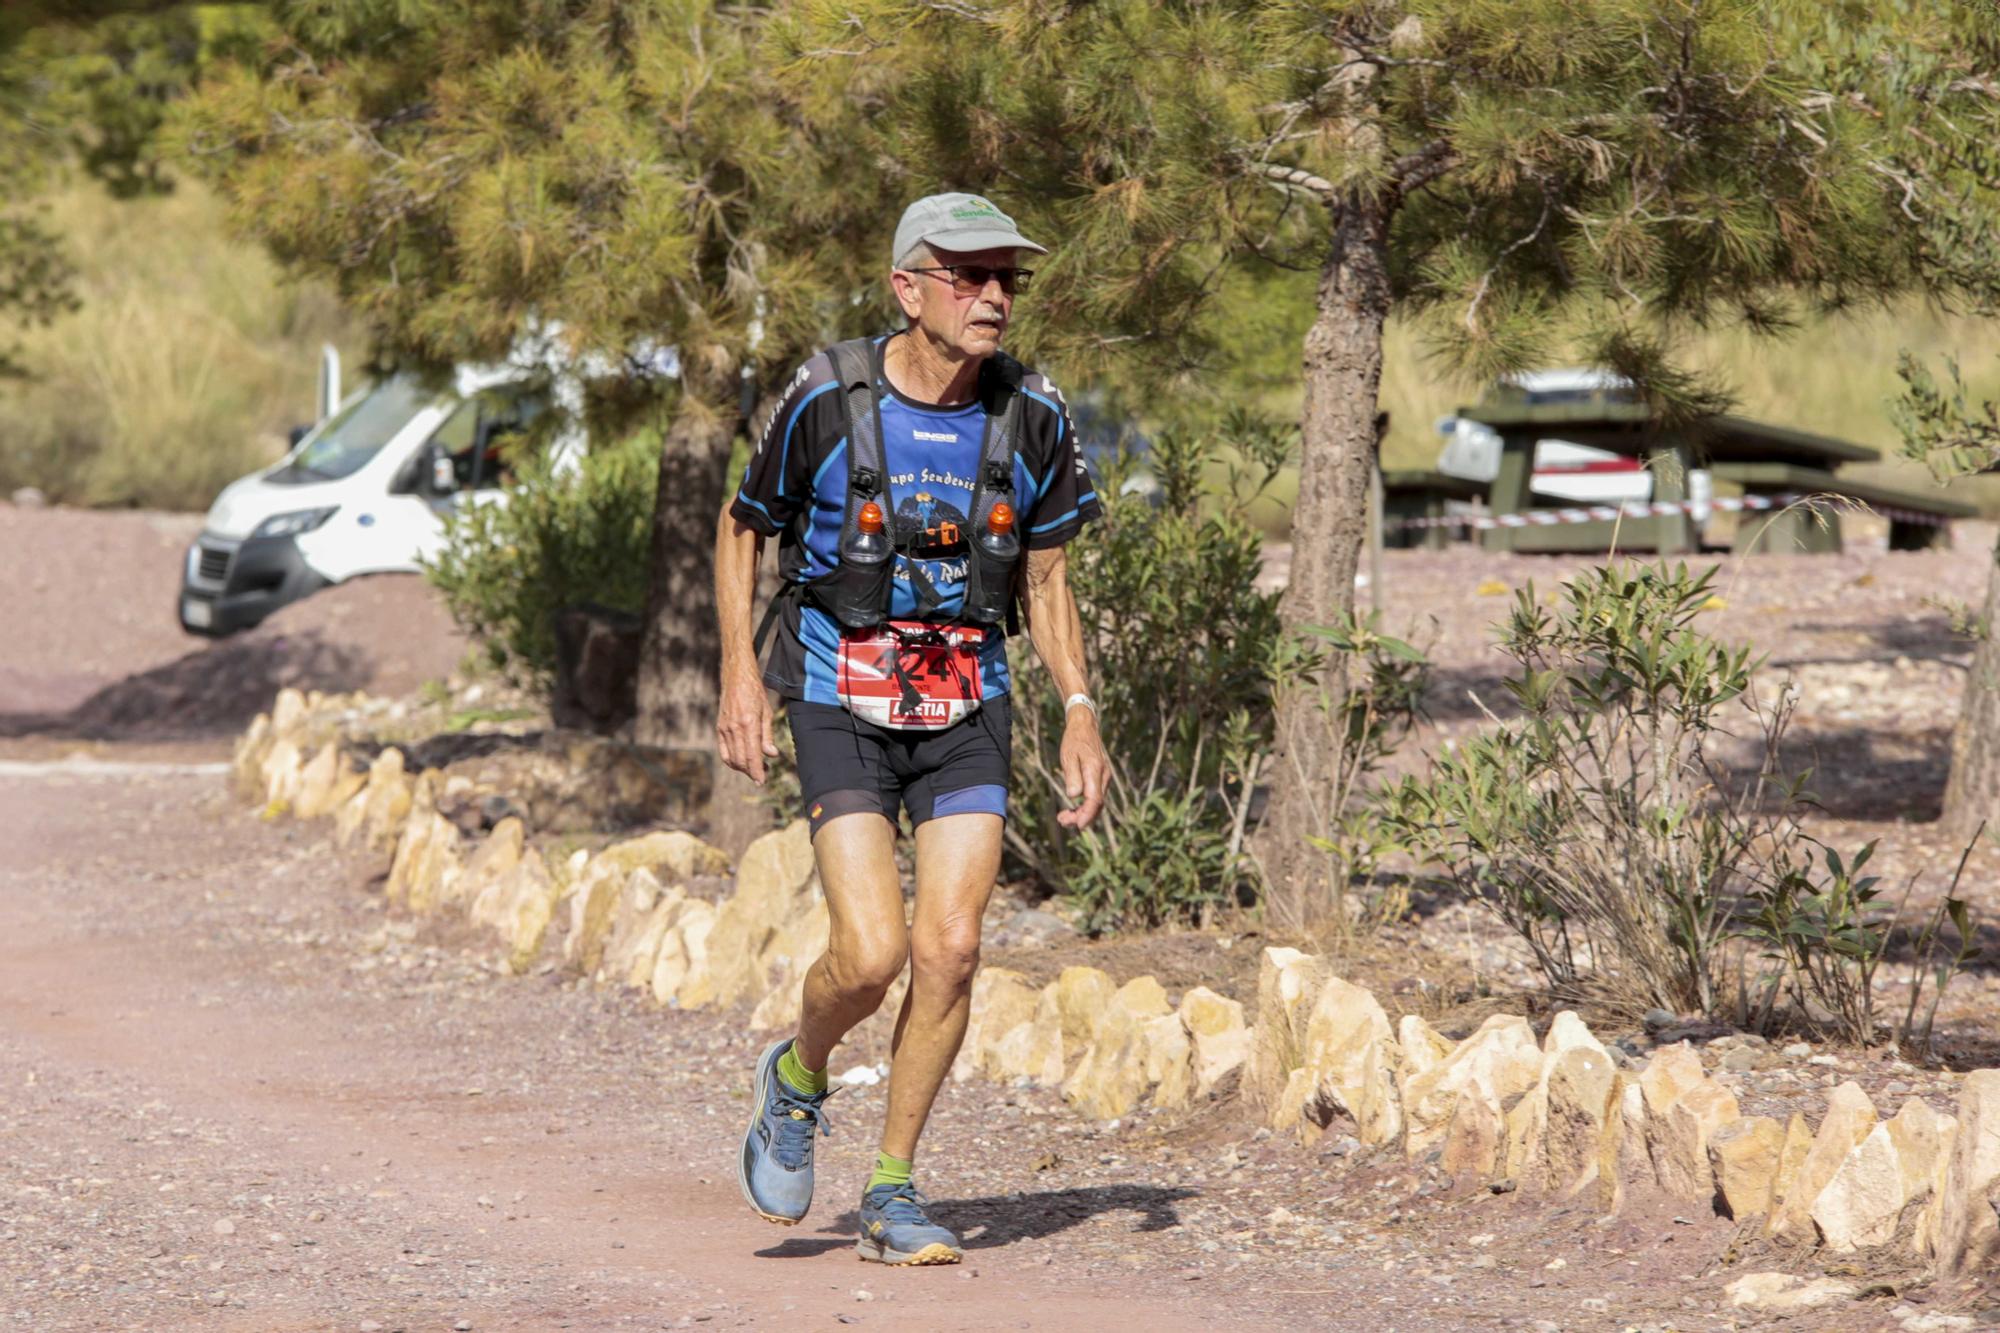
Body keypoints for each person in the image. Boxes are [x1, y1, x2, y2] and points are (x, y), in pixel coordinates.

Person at [713, 192, 1110, 1266]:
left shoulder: (1033, 413)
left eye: (1006, 279)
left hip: (966, 696)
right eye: (967, 275)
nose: (992, 296)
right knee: (870, 951)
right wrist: (739, 674)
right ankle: (795, 1077)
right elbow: (743, 528)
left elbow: (1048, 574)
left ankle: (891, 1186)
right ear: (906, 287)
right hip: (838, 690)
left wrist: (1078, 706)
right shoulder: (825, 394)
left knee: (951, 945)